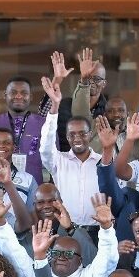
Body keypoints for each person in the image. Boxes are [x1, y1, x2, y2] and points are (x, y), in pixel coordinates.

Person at [39, 77, 106, 230]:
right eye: (72, 134)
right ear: (67, 137)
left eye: (82, 133)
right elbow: (46, 145)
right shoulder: (58, 161)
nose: (77, 138)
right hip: (66, 230)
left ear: (90, 135)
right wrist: (55, 105)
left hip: (98, 231)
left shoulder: (103, 162)